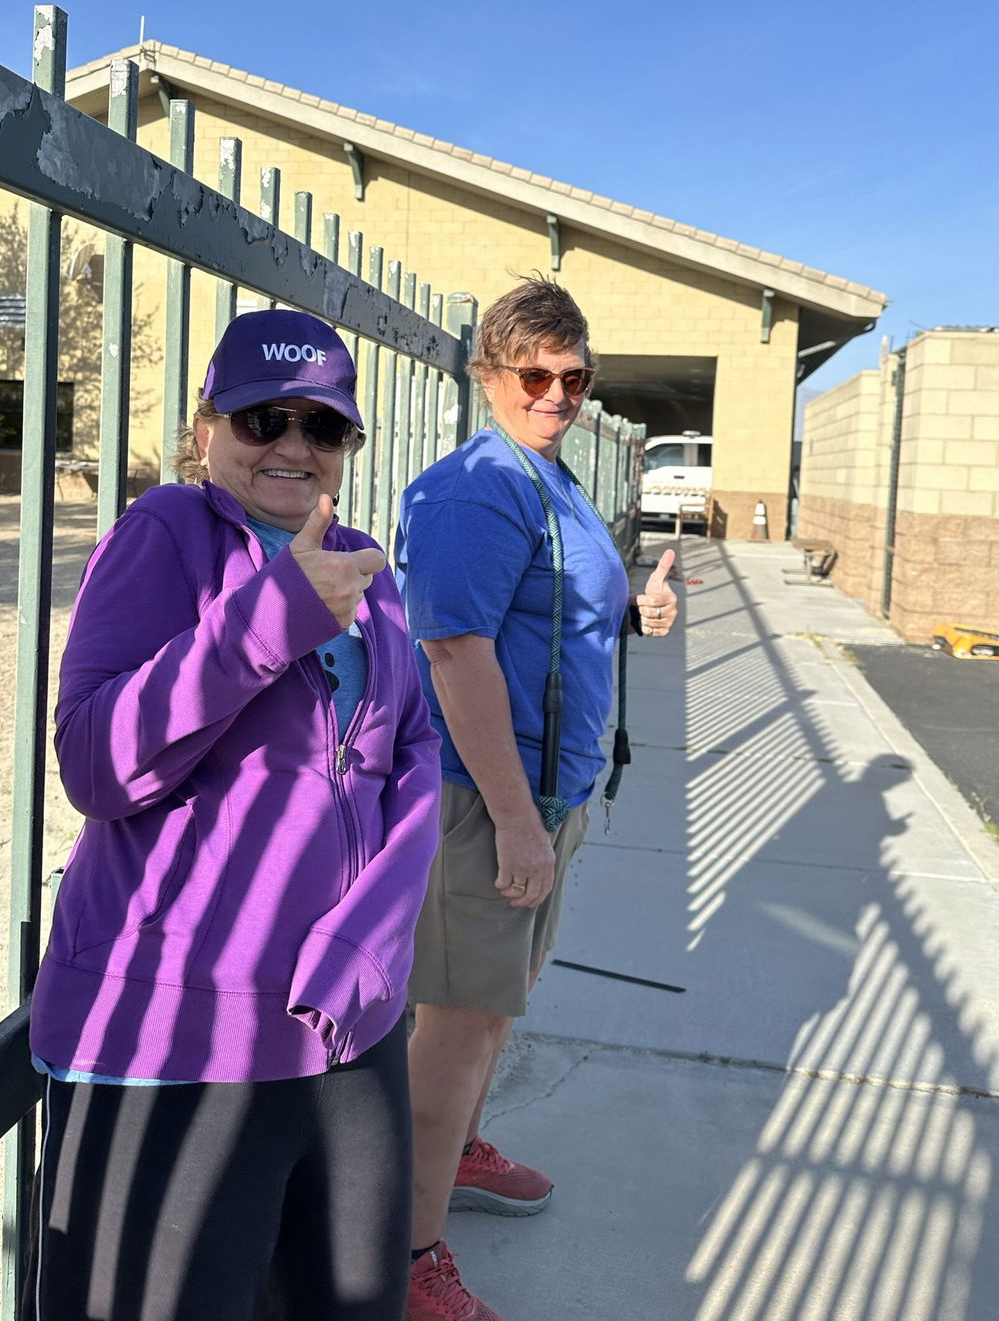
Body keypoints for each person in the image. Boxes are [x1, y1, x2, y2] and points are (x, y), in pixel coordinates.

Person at [24, 310, 442, 1321]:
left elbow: (417, 761)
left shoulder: (364, 565)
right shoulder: (163, 534)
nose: (294, 445)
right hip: (183, 1030)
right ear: (209, 425)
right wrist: (271, 617)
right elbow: (94, 760)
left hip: (344, 1024)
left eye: (323, 425)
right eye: (263, 418)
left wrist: (366, 945)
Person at [395, 277, 678, 1321]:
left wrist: (638, 613)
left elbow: (551, 621)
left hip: (547, 792)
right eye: (535, 374)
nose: (555, 392)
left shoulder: (546, 475)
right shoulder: (477, 487)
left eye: (574, 375)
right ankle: (410, 1249)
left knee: (495, 1009)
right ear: (489, 373)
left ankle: (455, 1156)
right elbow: (457, 651)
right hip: (486, 799)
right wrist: (516, 820)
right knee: (457, 1026)